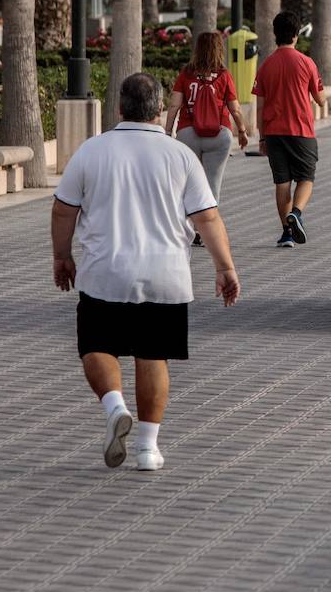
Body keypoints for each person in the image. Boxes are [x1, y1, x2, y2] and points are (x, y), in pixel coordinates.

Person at [52, 73, 240, 471]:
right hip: (165, 273)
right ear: (159, 110)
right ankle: (148, 449)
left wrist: (62, 256)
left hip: (105, 270)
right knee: (153, 354)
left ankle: (115, 406)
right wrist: (224, 267)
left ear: (119, 108)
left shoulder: (92, 150)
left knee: (96, 345)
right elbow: (207, 216)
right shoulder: (180, 156)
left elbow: (64, 208)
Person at [165, 32, 250, 245]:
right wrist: (242, 131)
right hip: (219, 134)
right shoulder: (224, 75)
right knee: (212, 183)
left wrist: (168, 132)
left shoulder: (186, 74)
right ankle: (204, 232)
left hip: (188, 134)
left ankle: (187, 227)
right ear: (219, 50)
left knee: (188, 182)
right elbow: (235, 109)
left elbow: (174, 104)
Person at [252, 11, 327, 248]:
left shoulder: (265, 66)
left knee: (282, 182)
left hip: (273, 132)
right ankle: (296, 213)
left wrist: (262, 137)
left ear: (275, 34)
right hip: (301, 131)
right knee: (306, 177)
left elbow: (260, 106)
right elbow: (321, 99)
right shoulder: (307, 63)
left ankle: (286, 232)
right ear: (296, 35)